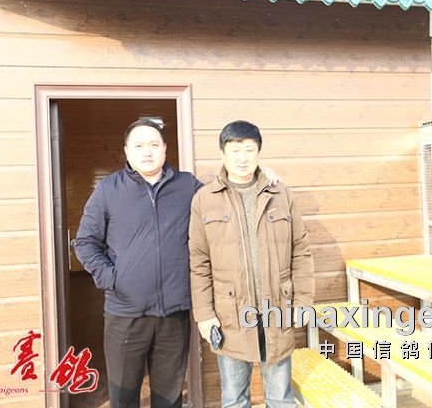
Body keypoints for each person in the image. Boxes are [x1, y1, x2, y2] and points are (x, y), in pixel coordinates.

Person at [74, 118, 202, 408]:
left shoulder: (187, 186)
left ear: (165, 149)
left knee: (169, 399)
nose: (147, 152)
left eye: (154, 145)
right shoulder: (108, 190)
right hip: (125, 315)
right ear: (127, 152)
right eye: (139, 145)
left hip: (174, 315)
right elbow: (85, 243)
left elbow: (221, 199)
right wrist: (113, 279)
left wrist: (260, 176)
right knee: (124, 397)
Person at [188, 120, 315, 408]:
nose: (242, 158)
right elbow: (199, 262)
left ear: (259, 153)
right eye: (235, 150)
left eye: (249, 150)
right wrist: (204, 315)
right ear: (223, 154)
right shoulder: (204, 200)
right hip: (231, 314)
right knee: (235, 399)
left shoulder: (280, 194)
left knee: (281, 398)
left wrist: (304, 302)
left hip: (276, 310)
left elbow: (301, 251)